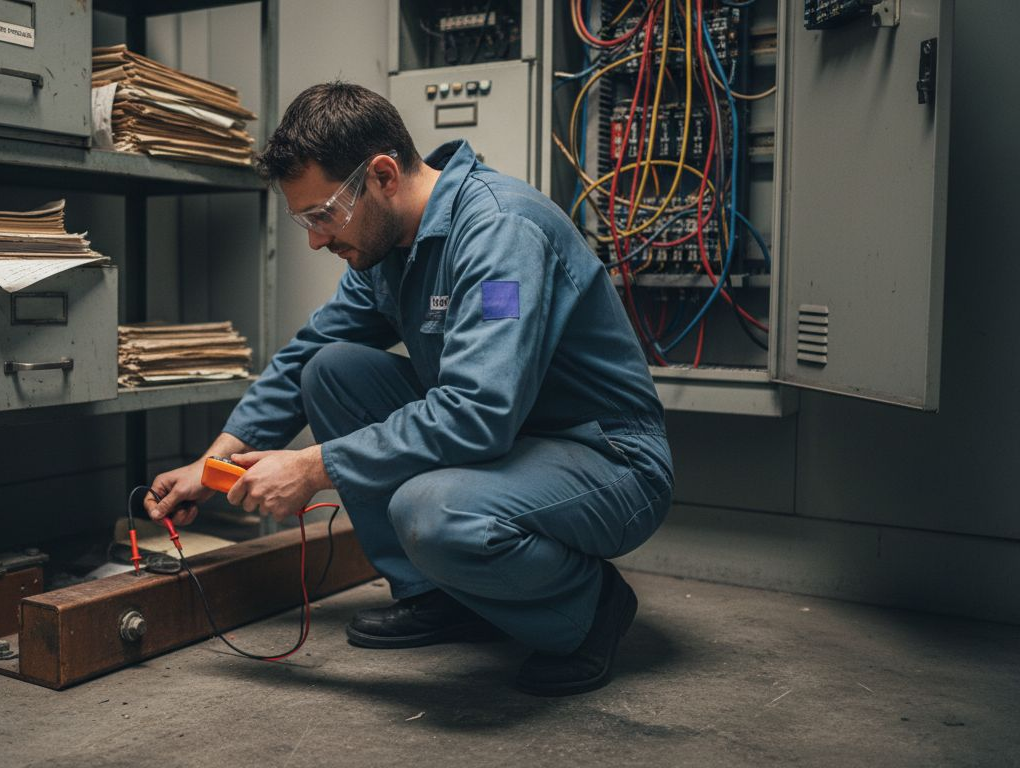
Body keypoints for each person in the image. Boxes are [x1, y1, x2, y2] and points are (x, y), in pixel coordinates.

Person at [145, 81, 673, 696]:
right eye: (304, 221)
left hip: (607, 456)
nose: (316, 239)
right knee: (332, 370)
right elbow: (306, 356)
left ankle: (590, 610)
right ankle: (441, 597)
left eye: (322, 215)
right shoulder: (388, 249)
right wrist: (213, 463)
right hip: (515, 443)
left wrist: (313, 468)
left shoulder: (500, 234)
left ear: (384, 175)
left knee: (430, 510)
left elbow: (477, 412)